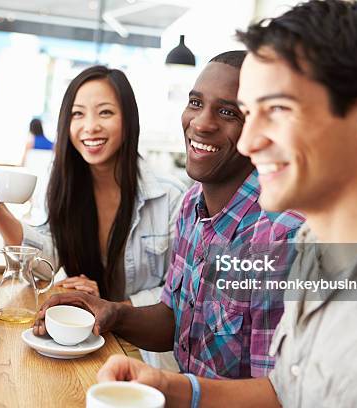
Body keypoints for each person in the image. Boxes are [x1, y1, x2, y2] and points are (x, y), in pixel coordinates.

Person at [94, 1, 357, 406]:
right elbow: (288, 390)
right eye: (251, 112)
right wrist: (170, 388)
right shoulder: (316, 246)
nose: (248, 142)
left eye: (277, 109)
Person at [35, 52, 303, 379]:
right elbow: (177, 319)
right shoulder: (192, 205)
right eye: (195, 103)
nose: (201, 123)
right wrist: (111, 312)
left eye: (227, 112)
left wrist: (167, 388)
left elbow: (278, 394)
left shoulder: (280, 234)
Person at [0, 65, 184, 306]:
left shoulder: (170, 197)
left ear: (129, 120)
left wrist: (110, 309)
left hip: (140, 341)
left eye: (106, 112)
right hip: (78, 331)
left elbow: (177, 295)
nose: (90, 126)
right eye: (78, 114)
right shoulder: (63, 186)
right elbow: (43, 266)